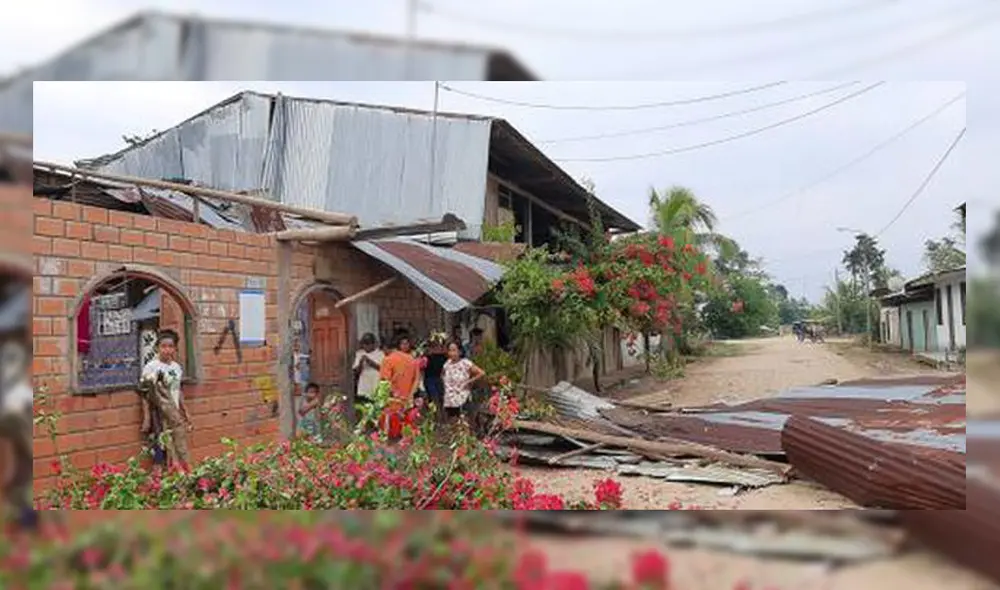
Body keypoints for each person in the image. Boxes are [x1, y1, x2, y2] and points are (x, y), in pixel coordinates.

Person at [138, 329, 192, 467]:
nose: (167, 350)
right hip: (158, 413)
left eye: (170, 346)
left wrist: (185, 411)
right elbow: (144, 393)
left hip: (174, 413)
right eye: (163, 346)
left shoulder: (176, 367)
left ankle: (180, 476)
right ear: (157, 347)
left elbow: (178, 390)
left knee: (179, 446)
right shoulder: (151, 367)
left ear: (175, 348)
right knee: (162, 448)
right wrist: (147, 418)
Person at [378, 333, 421, 437]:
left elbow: (384, 383)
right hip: (408, 401)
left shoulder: (388, 360)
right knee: (407, 432)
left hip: (393, 402)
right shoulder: (412, 360)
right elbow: (417, 380)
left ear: (386, 348)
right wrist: (410, 395)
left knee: (391, 433)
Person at [442, 340, 486, 420]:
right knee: (452, 424)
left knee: (464, 423)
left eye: (454, 350)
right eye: (450, 350)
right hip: (450, 399)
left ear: (460, 351)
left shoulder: (465, 363)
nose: (452, 353)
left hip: (462, 398)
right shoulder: (446, 364)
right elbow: (443, 376)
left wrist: (469, 382)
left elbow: (481, 373)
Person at [352, 333, 384, 410]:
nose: (366, 347)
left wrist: (370, 362)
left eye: (368, 344)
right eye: (364, 344)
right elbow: (356, 372)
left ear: (373, 344)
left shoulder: (380, 354)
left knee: (376, 407)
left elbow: (382, 369)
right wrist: (360, 363)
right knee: (364, 407)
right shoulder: (359, 353)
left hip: (375, 384)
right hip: (364, 385)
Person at [422, 334, 448, 419]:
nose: (436, 346)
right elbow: (422, 368)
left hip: (440, 378)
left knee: (442, 399)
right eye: (434, 344)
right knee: (433, 399)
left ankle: (443, 417)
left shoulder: (444, 355)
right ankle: (435, 417)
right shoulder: (426, 355)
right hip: (430, 379)